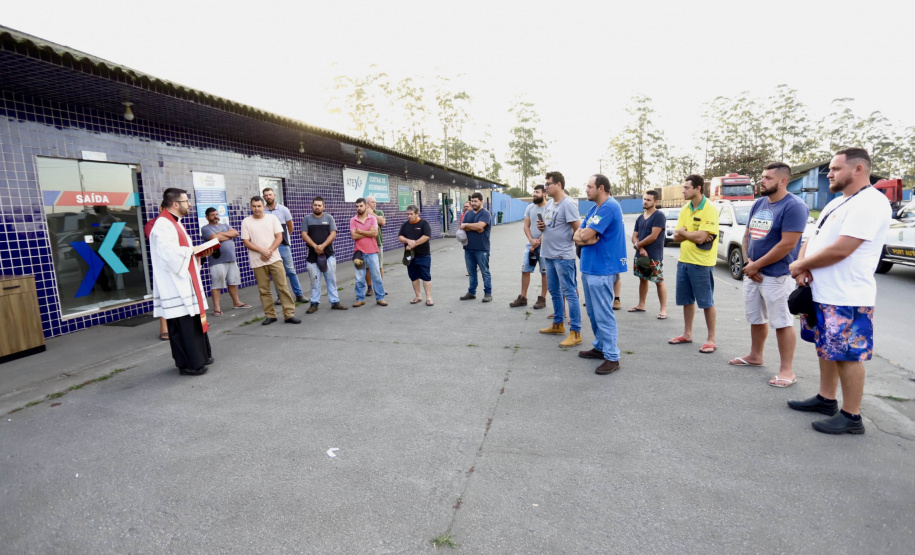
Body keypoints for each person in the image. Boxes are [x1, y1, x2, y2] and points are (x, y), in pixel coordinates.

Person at [787, 148, 891, 435]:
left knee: (847, 355)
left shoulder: (871, 203)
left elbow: (844, 249)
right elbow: (814, 237)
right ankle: (826, 399)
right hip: (822, 291)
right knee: (827, 350)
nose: (829, 174)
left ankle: (852, 416)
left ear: (858, 169)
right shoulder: (838, 202)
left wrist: (800, 265)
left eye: (834, 169)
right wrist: (803, 266)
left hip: (848, 296)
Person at [728, 163, 808, 387]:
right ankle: (756, 356)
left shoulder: (794, 206)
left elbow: (787, 244)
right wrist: (749, 263)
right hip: (754, 272)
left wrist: (756, 266)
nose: (761, 181)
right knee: (756, 317)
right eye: (762, 177)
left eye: (768, 178)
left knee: (782, 322)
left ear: (783, 181)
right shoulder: (760, 203)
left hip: (777, 275)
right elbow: (747, 235)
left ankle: (787, 371)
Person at [149, 188, 214, 375]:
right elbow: (169, 255)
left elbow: (182, 250)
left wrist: (199, 253)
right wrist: (193, 251)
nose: (189, 205)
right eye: (186, 201)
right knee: (183, 324)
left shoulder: (175, 223)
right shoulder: (163, 225)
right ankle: (190, 364)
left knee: (193, 320)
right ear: (176, 204)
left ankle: (202, 356)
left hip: (184, 279)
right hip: (174, 283)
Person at [573, 175, 628, 375]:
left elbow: (585, 234)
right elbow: (577, 234)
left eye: (589, 187)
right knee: (594, 313)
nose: (586, 190)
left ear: (601, 188)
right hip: (590, 267)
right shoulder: (594, 209)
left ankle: (612, 357)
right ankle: (600, 347)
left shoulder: (609, 207)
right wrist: (584, 238)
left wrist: (584, 236)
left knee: (603, 313)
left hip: (602, 269)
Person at [669, 175, 719, 354]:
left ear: (698, 188)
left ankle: (711, 339)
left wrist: (686, 233)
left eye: (686, 188)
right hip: (684, 261)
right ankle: (687, 333)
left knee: (706, 302)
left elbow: (701, 237)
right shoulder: (685, 209)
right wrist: (691, 233)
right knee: (686, 301)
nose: (683, 191)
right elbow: (675, 236)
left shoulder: (709, 209)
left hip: (702, 263)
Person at [537, 171, 582, 348]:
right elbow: (550, 226)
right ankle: (558, 324)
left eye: (548, 184)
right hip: (548, 254)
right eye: (545, 184)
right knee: (554, 291)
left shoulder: (568, 204)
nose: (545, 187)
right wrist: (542, 227)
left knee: (569, 292)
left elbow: (578, 230)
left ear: (559, 185)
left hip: (563, 256)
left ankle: (576, 332)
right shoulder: (549, 204)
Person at [241, 196, 301, 325]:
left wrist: (269, 251)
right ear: (251, 207)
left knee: (282, 287)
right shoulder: (246, 221)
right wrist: (262, 251)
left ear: (263, 206)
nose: (256, 209)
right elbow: (246, 241)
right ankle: (270, 315)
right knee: (264, 290)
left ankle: (289, 314)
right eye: (254, 206)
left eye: (259, 206)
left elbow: (279, 237)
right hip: (257, 261)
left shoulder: (272, 218)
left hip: (274, 259)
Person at [200, 207, 252, 315]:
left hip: (231, 259)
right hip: (217, 260)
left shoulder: (225, 225)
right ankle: (217, 308)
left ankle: (236, 303)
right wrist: (226, 235)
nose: (215, 216)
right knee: (217, 284)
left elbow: (236, 233)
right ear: (207, 217)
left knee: (233, 282)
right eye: (212, 215)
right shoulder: (205, 228)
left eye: (216, 214)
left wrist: (220, 236)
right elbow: (214, 238)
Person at [300, 196, 347, 313]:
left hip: (328, 255)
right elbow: (304, 235)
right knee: (314, 281)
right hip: (312, 256)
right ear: (312, 206)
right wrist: (315, 246)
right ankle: (314, 303)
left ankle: (335, 302)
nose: (317, 207)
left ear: (323, 206)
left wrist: (322, 246)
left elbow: (333, 234)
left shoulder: (329, 218)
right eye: (315, 205)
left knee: (331, 279)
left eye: (319, 205)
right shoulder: (307, 219)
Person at [263, 187, 308, 305]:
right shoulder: (263, 211)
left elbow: (290, 226)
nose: (268, 197)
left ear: (274, 195)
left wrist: (284, 239)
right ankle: (280, 297)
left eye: (270, 194)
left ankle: (299, 294)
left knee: (291, 270)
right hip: (270, 247)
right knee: (276, 272)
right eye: (266, 195)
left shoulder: (283, 209)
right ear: (264, 197)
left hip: (283, 245)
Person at [629, 190, 668, 319]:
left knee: (659, 281)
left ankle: (663, 309)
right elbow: (634, 236)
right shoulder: (640, 217)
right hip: (640, 255)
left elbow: (653, 236)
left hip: (654, 255)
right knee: (642, 279)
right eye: (644, 199)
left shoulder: (659, 216)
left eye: (648, 200)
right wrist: (639, 249)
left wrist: (639, 245)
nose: (645, 202)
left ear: (655, 202)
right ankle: (641, 304)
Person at [509, 184, 548, 310]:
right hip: (530, 245)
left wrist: (539, 241)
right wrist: (531, 241)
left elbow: (551, 227)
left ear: (544, 194)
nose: (534, 194)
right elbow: (526, 225)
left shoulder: (550, 208)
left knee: (544, 272)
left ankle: (542, 298)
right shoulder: (530, 207)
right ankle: (523, 297)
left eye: (537, 192)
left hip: (545, 246)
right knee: (525, 270)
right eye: (534, 192)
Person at [350, 197, 387, 307]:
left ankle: (380, 298)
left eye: (361, 206)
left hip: (372, 252)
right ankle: (360, 298)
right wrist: (368, 232)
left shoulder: (372, 219)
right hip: (359, 253)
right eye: (357, 206)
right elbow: (353, 235)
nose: (359, 208)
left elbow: (375, 233)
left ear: (366, 206)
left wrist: (360, 231)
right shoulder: (353, 220)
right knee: (359, 278)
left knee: (376, 276)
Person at [398, 204, 434, 306]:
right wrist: (408, 241)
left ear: (417, 214)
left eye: (411, 214)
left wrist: (413, 244)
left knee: (426, 276)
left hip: (423, 255)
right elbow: (400, 237)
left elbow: (426, 236)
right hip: (410, 256)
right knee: (413, 276)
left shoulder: (424, 223)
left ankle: (429, 298)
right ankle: (418, 296)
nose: (409, 216)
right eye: (407, 214)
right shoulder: (405, 225)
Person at [460, 192, 493, 302]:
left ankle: (488, 293)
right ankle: (471, 292)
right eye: (472, 201)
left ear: (481, 202)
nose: (473, 203)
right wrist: (474, 227)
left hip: (482, 248)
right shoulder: (468, 214)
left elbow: (480, 226)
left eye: (475, 201)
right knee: (471, 272)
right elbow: (462, 227)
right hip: (468, 248)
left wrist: (468, 226)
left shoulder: (485, 214)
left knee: (485, 271)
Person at [144, 203, 170, 342]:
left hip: (179, 264)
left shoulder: (176, 223)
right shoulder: (151, 224)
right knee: (164, 297)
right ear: (160, 209)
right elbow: (158, 242)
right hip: (162, 267)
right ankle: (164, 328)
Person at [364, 195, 386, 296]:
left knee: (379, 266)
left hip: (378, 244)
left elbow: (382, 222)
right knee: (368, 267)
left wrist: (372, 213)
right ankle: (369, 288)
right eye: (373, 202)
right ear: (367, 204)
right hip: (366, 245)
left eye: (375, 202)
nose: (375, 203)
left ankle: (380, 287)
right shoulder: (362, 213)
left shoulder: (379, 212)